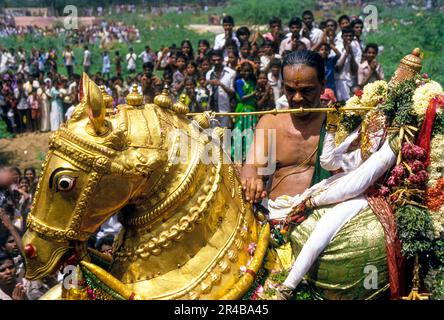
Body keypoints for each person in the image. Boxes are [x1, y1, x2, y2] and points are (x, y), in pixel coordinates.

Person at [240, 50, 329, 205]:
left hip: (328, 216)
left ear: (322, 86)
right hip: (277, 218)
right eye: (290, 90)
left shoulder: (338, 123)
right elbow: (253, 164)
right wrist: (251, 179)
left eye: (306, 90)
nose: (297, 98)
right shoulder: (271, 123)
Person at [232, 60, 258, 164]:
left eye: (248, 71)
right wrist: (253, 94)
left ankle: (249, 155)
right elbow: (242, 97)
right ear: (240, 71)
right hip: (242, 110)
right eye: (244, 71)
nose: (246, 73)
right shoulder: (239, 82)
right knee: (240, 131)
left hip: (251, 110)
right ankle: (238, 156)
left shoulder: (252, 82)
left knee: (250, 132)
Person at [206, 49, 236, 128]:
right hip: (212, 111)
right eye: (214, 60)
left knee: (226, 136)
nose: (216, 62)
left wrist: (220, 84)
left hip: (225, 110)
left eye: (218, 60)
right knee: (213, 137)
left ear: (222, 59)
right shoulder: (209, 74)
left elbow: (232, 93)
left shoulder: (231, 73)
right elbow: (208, 92)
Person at [335, 27, 359, 102]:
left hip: (351, 81)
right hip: (339, 81)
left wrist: (351, 54)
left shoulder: (356, 50)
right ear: (342, 36)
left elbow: (355, 69)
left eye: (350, 36)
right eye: (346, 36)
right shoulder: (337, 49)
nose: (348, 38)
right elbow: (337, 69)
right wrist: (346, 54)